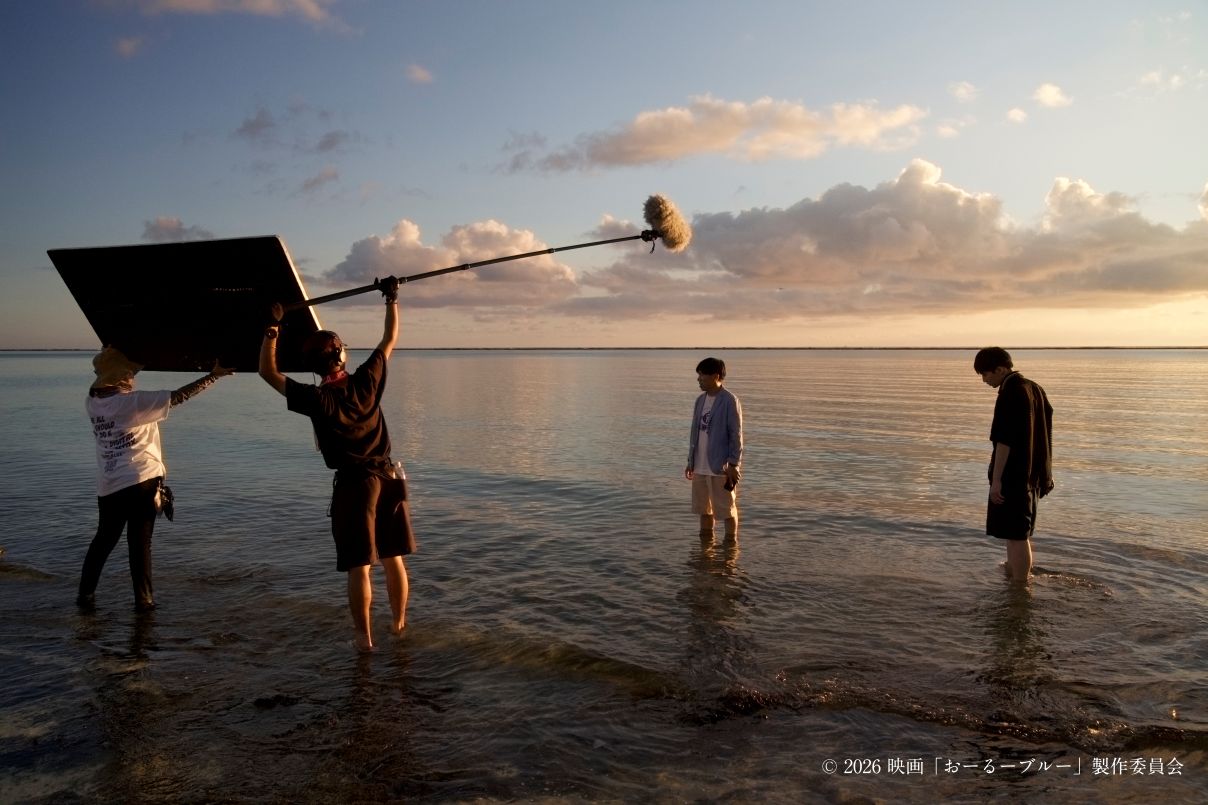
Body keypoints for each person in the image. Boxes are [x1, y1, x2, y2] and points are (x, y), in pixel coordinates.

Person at [259, 278, 415, 653]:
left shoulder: (317, 398)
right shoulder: (366, 381)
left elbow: (268, 372)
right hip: (389, 477)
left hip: (355, 485)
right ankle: (398, 627)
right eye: (343, 348)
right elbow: (389, 338)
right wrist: (391, 297)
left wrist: (272, 331)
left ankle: (364, 640)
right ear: (341, 357)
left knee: (360, 566)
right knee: (393, 559)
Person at [79, 346, 233, 612]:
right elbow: (178, 397)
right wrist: (213, 376)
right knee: (140, 544)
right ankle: (144, 601)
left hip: (109, 484)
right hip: (141, 480)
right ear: (122, 376)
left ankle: (85, 595)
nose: (133, 377)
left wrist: (111, 349)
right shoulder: (132, 402)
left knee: (103, 542)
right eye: (129, 373)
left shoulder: (92, 402)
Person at [974, 347, 1054, 584]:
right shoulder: (1034, 388)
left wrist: (996, 480)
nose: (984, 380)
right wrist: (1046, 473)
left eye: (986, 374)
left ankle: (1020, 586)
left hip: (1014, 475)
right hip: (1032, 474)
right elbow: (1046, 432)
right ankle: (1014, 574)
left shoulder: (1011, 393)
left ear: (1000, 369)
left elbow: (1003, 440)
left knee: (1017, 535)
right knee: (1018, 532)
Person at [684, 356, 744, 543]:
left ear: (715, 376)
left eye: (702, 375)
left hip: (721, 467)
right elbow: (695, 433)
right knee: (704, 510)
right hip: (700, 465)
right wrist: (690, 461)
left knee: (726, 510)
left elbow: (736, 435)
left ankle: (730, 549)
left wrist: (734, 464)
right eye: (699, 375)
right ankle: (705, 553)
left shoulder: (729, 400)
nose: (699, 379)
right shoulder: (700, 401)